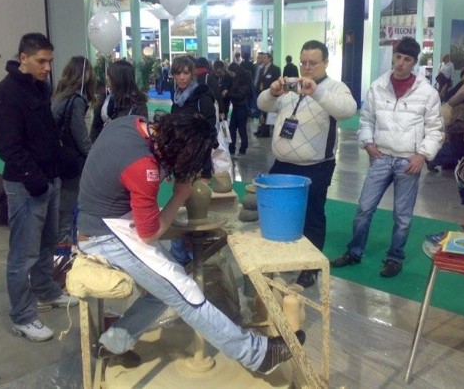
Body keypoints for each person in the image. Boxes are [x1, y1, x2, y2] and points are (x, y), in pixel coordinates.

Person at [77, 110, 305, 374]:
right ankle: (257, 355)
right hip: (102, 235)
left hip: (101, 216)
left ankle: (113, 343)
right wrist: (180, 195)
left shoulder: (132, 124)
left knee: (163, 291)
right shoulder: (143, 167)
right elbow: (149, 233)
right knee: (183, 289)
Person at [331, 37, 444, 278]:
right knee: (364, 208)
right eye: (398, 57)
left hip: (408, 162)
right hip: (380, 157)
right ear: (393, 56)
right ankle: (354, 251)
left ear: (414, 62)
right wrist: (368, 143)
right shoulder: (378, 86)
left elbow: (435, 129)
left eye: (407, 59)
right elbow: (366, 120)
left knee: (402, 216)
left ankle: (395, 258)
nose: (401, 63)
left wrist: (422, 155)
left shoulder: (427, 93)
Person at [0, 33, 77, 342]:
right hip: (26, 185)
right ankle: (23, 316)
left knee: (47, 244)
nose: (47, 67)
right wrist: (36, 180)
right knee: (23, 255)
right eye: (41, 61)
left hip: (49, 180)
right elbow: (9, 148)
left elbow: (48, 135)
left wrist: (60, 167)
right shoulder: (6, 93)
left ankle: (46, 290)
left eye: (50, 61)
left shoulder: (40, 88)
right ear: (23, 58)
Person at [258, 40, 357, 287]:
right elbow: (262, 104)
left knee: (312, 215)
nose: (307, 67)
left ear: (325, 63)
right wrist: (272, 92)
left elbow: (348, 110)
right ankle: (282, 259)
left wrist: (317, 92)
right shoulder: (291, 86)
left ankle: (310, 268)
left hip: (316, 166)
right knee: (277, 214)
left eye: (313, 63)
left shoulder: (335, 88)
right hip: (282, 164)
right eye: (303, 62)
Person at [51, 56, 97, 243]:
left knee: (62, 208)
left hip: (59, 157)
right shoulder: (76, 100)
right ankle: (64, 249)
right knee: (68, 209)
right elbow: (80, 134)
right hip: (72, 160)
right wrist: (92, 157)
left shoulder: (60, 94)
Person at [170, 56, 217, 179]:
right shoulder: (177, 99)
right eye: (178, 73)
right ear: (173, 75)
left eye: (186, 73)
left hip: (199, 162)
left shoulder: (202, 97)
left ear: (192, 74)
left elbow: (210, 133)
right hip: (180, 160)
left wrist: (205, 169)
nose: (182, 77)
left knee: (198, 191)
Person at [90, 60, 148, 142]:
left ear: (118, 79)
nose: (107, 78)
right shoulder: (104, 99)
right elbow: (95, 129)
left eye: (110, 76)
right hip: (104, 145)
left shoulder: (138, 104)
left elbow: (141, 134)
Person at [224, 63, 252, 155]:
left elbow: (240, 95)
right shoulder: (236, 78)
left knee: (241, 129)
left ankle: (243, 149)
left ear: (235, 71)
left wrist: (227, 94)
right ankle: (231, 149)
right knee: (232, 128)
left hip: (242, 107)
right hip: (236, 107)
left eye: (231, 72)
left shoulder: (244, 79)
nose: (230, 75)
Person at [254, 53, 281, 138]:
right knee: (261, 113)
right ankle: (260, 129)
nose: (263, 59)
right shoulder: (262, 69)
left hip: (271, 95)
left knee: (267, 113)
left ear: (269, 59)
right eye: (262, 58)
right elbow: (259, 80)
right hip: (262, 94)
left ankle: (265, 132)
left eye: (265, 58)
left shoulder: (275, 69)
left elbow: (276, 81)